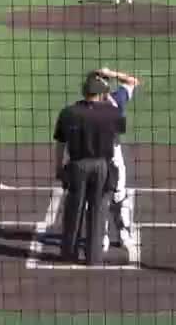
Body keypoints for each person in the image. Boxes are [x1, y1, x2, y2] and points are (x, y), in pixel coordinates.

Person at [53, 71, 125, 265]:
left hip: (77, 166)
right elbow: (116, 140)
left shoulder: (68, 112)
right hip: (102, 166)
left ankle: (69, 254)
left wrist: (59, 168)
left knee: (73, 210)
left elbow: (61, 144)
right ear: (102, 93)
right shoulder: (113, 113)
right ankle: (94, 258)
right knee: (99, 210)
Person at [98, 67, 140, 251]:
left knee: (104, 196)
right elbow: (133, 80)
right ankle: (116, 234)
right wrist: (113, 73)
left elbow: (133, 81)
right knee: (115, 196)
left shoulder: (84, 106)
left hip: (97, 157)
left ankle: (106, 236)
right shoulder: (116, 99)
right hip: (111, 156)